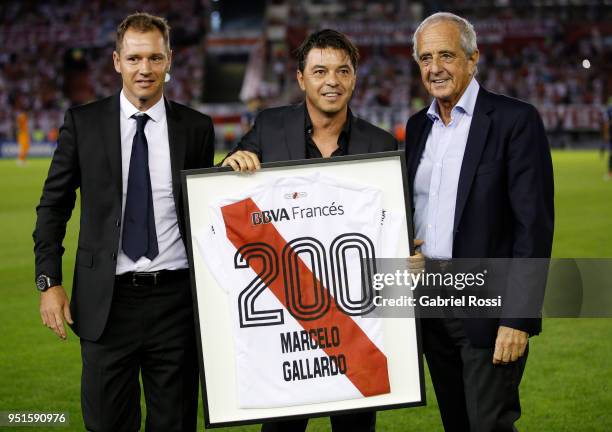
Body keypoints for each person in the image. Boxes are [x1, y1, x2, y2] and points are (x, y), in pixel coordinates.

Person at [33, 13, 215, 432]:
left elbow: (204, 213)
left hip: (176, 304)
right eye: (134, 59)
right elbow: (52, 207)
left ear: (169, 60)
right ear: (117, 61)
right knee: (107, 424)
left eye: (154, 58)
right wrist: (49, 281)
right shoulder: (83, 123)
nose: (144, 69)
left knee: (175, 423)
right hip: (105, 304)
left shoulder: (196, 128)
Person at [223, 29, 396, 432]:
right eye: (319, 71)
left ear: (354, 78)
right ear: (301, 78)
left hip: (355, 322)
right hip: (287, 318)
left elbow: (394, 226)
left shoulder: (381, 144)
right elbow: (224, 189)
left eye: (342, 71)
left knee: (355, 427)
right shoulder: (268, 127)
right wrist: (235, 161)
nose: (331, 81)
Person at [405, 12, 554, 432]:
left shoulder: (515, 120)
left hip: (489, 305)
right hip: (430, 303)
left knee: (489, 425)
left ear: (473, 59)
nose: (435, 68)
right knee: (456, 423)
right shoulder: (417, 127)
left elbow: (534, 228)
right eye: (426, 58)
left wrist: (518, 317)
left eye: (447, 55)